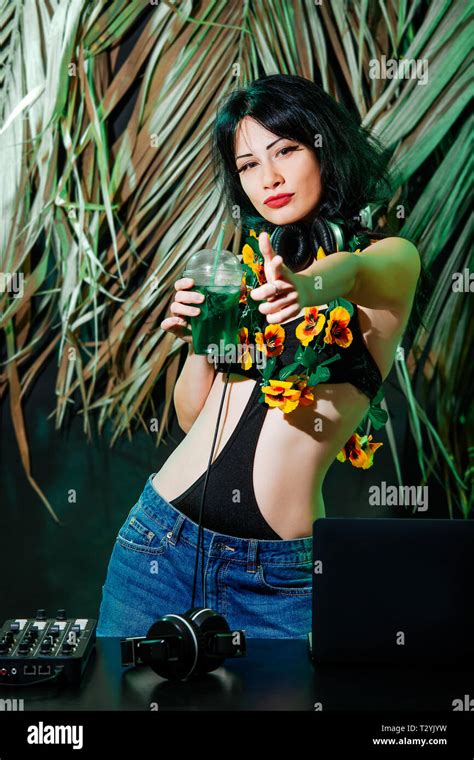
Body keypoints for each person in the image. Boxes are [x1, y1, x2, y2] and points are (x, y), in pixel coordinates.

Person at [96, 74, 420, 639]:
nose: (267, 178)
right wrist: (199, 336)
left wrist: (306, 287)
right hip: (158, 543)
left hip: (274, 579)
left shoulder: (392, 259)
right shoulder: (245, 269)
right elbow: (193, 417)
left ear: (324, 146)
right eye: (247, 165)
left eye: (286, 151)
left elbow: (352, 272)